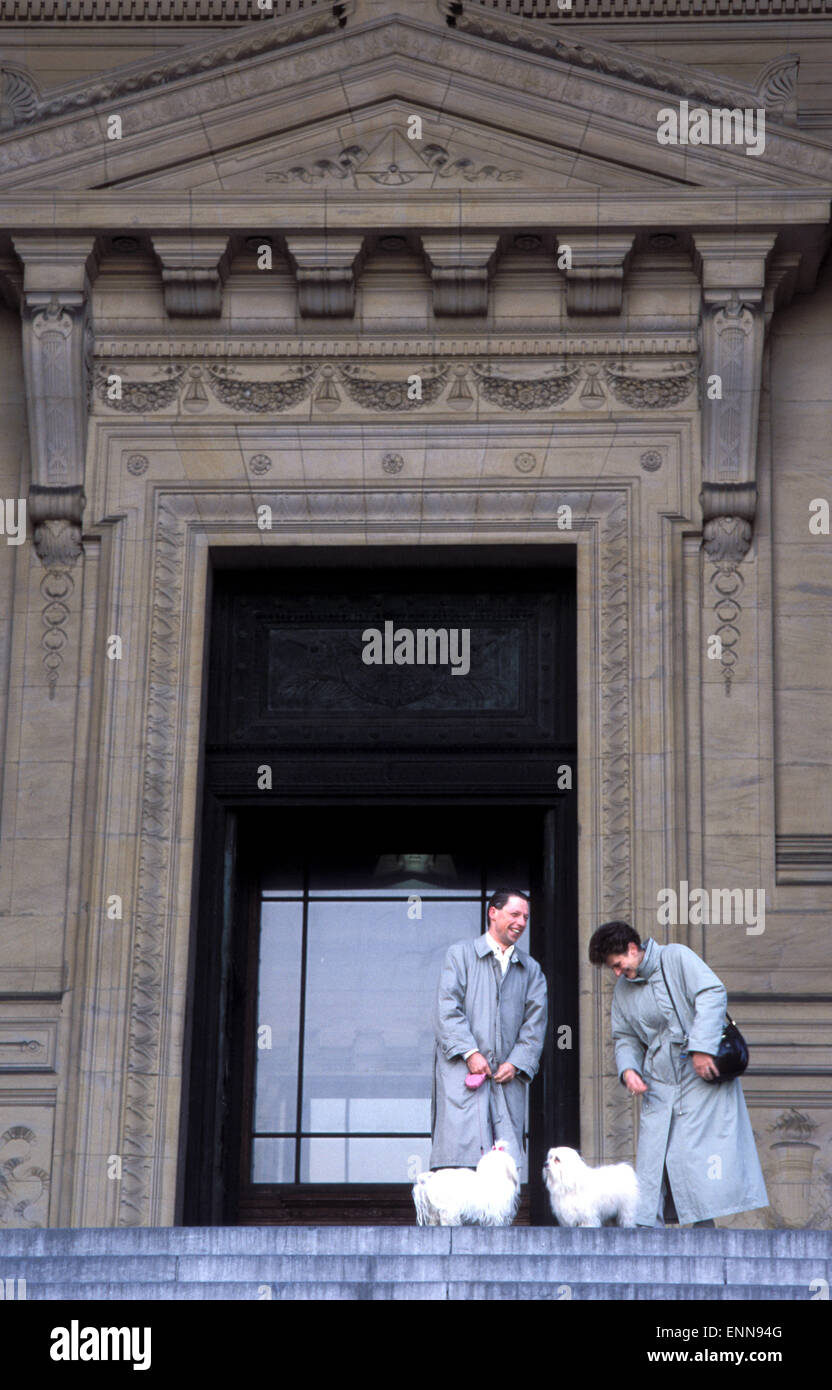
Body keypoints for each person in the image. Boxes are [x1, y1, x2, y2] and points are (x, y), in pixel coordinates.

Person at [588, 920, 769, 1227]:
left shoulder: (676, 957)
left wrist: (701, 1048)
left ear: (633, 949)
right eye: (612, 968)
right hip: (658, 1084)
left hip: (699, 1080)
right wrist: (629, 1069)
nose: (617, 973)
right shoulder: (622, 990)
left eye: (618, 965)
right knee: (652, 1163)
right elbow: (625, 1037)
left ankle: (703, 1234)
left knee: (693, 1158)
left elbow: (712, 992)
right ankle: (647, 1233)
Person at [430, 890, 548, 1172]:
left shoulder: (531, 970)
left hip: (505, 1080)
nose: (521, 922)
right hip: (463, 1078)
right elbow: (446, 1010)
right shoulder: (459, 956)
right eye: (515, 914)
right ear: (493, 913)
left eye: (526, 917)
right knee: (459, 1171)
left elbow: (536, 1024)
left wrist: (517, 1063)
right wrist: (470, 1053)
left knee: (503, 1173)